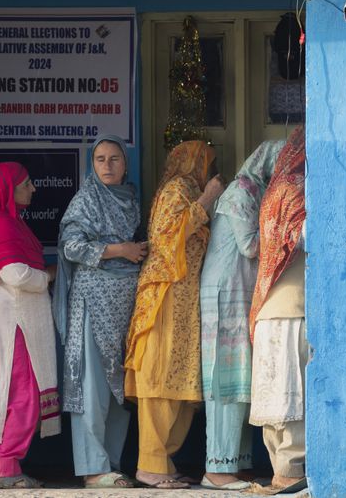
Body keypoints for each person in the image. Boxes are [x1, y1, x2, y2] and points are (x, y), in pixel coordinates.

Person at [124, 139, 224, 489]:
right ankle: (150, 464)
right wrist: (208, 199)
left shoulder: (186, 190)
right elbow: (168, 239)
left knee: (179, 380)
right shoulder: (176, 189)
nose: (209, 172)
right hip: (165, 295)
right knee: (161, 377)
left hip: (182, 300)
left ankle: (163, 461)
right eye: (205, 164)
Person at [53, 135, 147, 489]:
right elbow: (72, 247)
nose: (107, 166)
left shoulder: (132, 198)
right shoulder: (86, 199)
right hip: (93, 303)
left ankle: (111, 463)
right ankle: (93, 468)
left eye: (114, 159)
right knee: (92, 386)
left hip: (125, 305)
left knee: (119, 388)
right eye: (100, 160)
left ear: (125, 164)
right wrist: (119, 249)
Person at [198, 140, 285, 491]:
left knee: (242, 379)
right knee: (224, 380)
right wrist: (287, 230)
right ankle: (216, 468)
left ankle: (237, 463)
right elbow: (249, 245)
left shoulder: (259, 191)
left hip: (239, 292)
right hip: (225, 293)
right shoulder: (241, 191)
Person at [0, 162, 61, 489]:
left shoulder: (12, 222)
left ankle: (7, 464)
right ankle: (5, 466)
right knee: (22, 395)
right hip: (13, 321)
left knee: (20, 394)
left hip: (20, 318)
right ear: (9, 189)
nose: (33, 189)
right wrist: (49, 276)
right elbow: (14, 274)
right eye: (26, 183)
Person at [248, 126, 308, 494]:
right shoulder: (297, 191)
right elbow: (308, 237)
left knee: (275, 393)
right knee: (294, 392)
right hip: (293, 306)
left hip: (268, 306)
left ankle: (280, 471)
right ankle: (292, 472)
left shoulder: (273, 191)